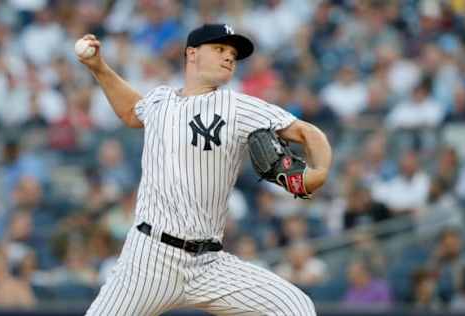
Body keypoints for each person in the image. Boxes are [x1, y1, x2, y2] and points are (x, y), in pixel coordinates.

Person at [78, 23, 331, 316]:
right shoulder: (160, 100)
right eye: (220, 49)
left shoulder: (237, 107)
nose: (229, 58)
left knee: (295, 307)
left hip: (209, 263)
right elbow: (131, 111)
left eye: (233, 54)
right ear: (192, 54)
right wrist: (98, 67)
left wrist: (318, 173)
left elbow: (308, 133)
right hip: (149, 258)